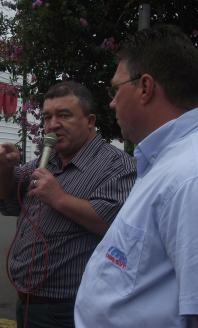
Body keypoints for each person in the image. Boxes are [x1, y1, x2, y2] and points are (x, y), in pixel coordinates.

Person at [75, 25, 198, 328]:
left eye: (116, 89)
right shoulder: (164, 163)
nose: (112, 103)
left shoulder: (188, 176)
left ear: (145, 88)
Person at [0, 81, 136, 328]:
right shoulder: (46, 161)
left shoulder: (117, 165)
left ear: (90, 121)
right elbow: (9, 197)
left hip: (70, 307)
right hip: (27, 301)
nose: (52, 125)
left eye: (64, 115)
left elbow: (113, 224)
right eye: (47, 117)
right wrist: (4, 167)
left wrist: (58, 198)